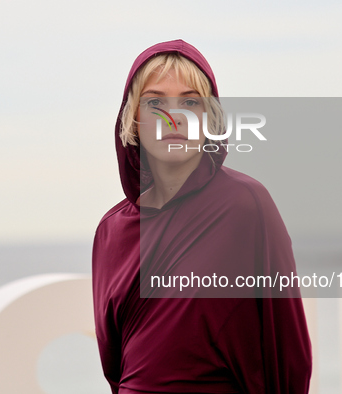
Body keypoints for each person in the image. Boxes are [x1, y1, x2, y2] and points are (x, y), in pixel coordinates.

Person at [92, 39, 312, 393]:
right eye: (155, 102)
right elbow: (113, 363)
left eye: (190, 101)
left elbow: (287, 348)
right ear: (133, 118)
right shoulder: (111, 230)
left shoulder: (246, 205)